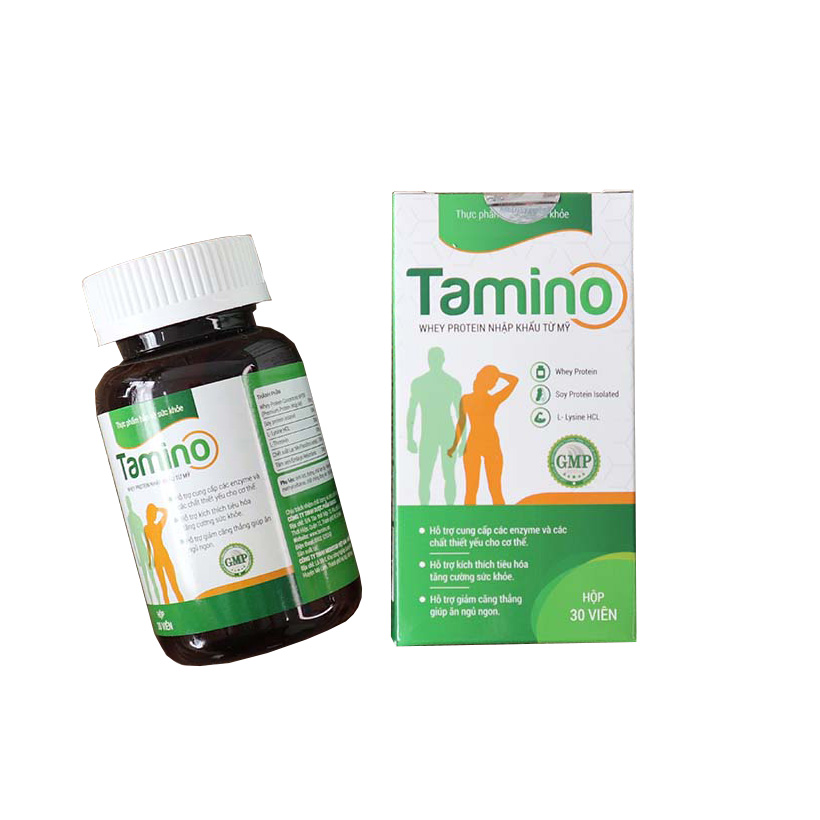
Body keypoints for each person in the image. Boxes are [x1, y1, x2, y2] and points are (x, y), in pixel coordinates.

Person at [448, 365, 518, 505]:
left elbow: (515, 381)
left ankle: (500, 517)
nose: (494, 384)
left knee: (493, 489)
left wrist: (497, 374)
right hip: (476, 444)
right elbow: (461, 424)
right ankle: (470, 517)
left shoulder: (491, 399)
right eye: (492, 380)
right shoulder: (471, 399)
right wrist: (454, 446)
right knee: (474, 489)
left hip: (489, 444)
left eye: (494, 381)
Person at [407, 347, 461, 504]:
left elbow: (460, 414)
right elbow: (411, 412)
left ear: (442, 360)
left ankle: (450, 510)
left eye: (437, 359)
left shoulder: (451, 383)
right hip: (430, 434)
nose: (435, 362)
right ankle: (424, 510)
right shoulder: (419, 383)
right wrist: (409, 438)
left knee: (448, 475)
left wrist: (463, 441)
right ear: (428, 361)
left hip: (446, 433)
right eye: (433, 359)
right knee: (425, 476)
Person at [144, 504, 184, 604]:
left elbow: (166, 512)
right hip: (159, 557)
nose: (154, 516)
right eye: (153, 514)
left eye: (154, 514)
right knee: (165, 588)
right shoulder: (150, 528)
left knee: (172, 586)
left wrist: (156, 509)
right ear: (150, 515)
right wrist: (149, 560)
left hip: (162, 556)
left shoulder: (156, 526)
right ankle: (173, 607)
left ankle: (182, 603)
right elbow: (148, 546)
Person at [125, 496, 160, 604]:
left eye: (128, 502)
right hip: (140, 551)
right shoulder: (130, 518)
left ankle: (158, 600)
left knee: (152, 578)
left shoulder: (135, 517)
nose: (128, 504)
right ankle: (155, 602)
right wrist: (137, 555)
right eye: (127, 502)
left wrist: (150, 555)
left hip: (144, 549)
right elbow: (132, 538)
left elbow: (145, 537)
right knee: (146, 579)